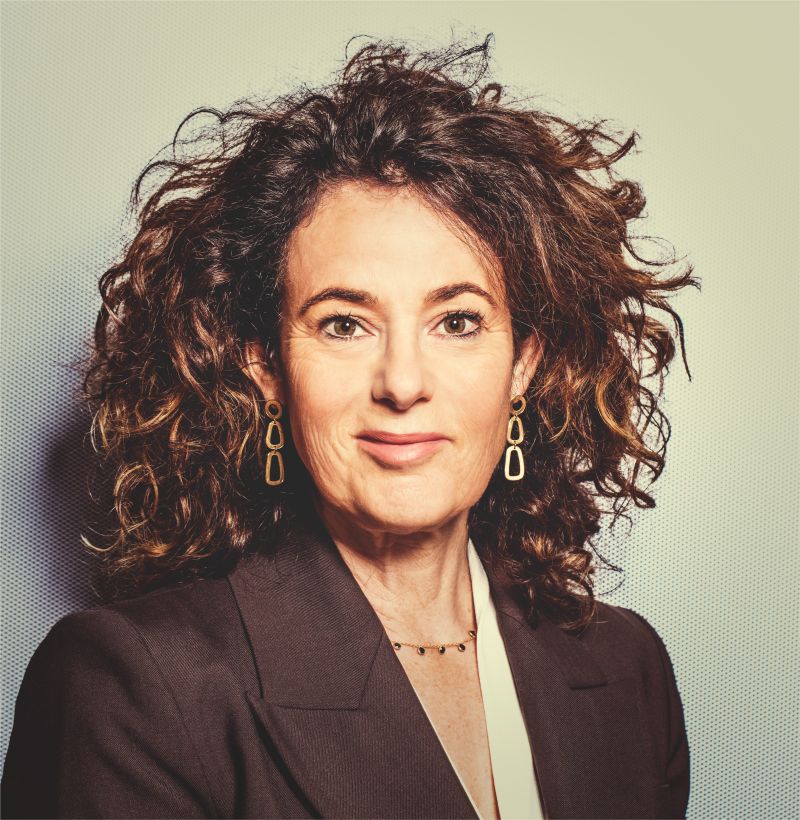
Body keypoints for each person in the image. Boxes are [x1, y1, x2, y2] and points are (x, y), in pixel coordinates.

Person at [1, 36, 695, 820]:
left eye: (457, 321)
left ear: (523, 363)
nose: (402, 383)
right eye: (343, 324)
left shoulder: (626, 669)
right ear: (265, 364)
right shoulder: (133, 686)